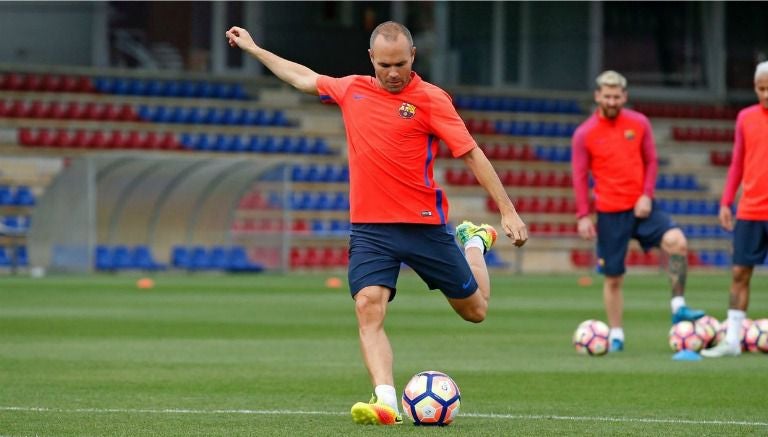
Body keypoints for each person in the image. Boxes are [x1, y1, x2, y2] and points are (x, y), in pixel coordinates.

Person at [226, 21, 528, 424]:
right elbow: (302, 76)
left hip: (424, 227)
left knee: (475, 311)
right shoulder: (352, 89)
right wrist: (255, 49)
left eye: (400, 64)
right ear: (372, 59)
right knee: (368, 307)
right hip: (371, 229)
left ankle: (473, 242)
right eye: (384, 64)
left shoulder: (432, 99)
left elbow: (472, 153)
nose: (392, 73)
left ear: (413, 57)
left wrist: (506, 210)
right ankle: (385, 399)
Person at [571, 70, 704, 352]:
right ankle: (616, 334)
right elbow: (580, 176)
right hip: (609, 212)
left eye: (617, 96)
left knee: (677, 242)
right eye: (607, 96)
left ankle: (678, 306)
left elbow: (652, 161)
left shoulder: (639, 123)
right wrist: (584, 214)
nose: (612, 100)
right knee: (614, 277)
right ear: (598, 96)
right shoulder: (584, 134)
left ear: (624, 96)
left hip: (642, 208)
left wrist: (647, 195)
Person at [702, 61, 768, 358]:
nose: (766, 94)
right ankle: (732, 341)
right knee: (740, 272)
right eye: (761, 88)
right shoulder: (745, 117)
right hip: (751, 209)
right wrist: (726, 201)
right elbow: (738, 162)